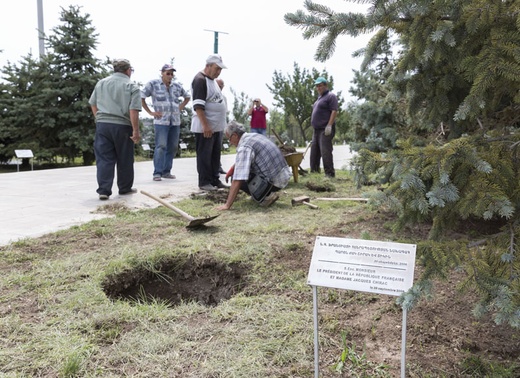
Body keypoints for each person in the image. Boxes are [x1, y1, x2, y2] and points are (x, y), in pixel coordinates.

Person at [89, 58, 142, 200]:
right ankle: (124, 188)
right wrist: (136, 131)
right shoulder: (132, 86)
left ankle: (104, 191)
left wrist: (98, 119)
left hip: (103, 125)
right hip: (122, 126)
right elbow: (133, 110)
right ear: (128, 70)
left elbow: (93, 103)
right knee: (124, 158)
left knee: (104, 159)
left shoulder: (101, 83)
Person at [217, 121, 292, 210]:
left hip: (275, 183)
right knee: (243, 170)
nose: (230, 143)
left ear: (235, 136)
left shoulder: (244, 146)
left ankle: (266, 196)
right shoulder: (253, 136)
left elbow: (238, 178)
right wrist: (232, 169)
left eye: (229, 139)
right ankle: (260, 193)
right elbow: (243, 161)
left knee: (235, 177)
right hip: (283, 176)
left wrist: (227, 205)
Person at [141, 64, 191, 181]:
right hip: (161, 121)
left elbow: (187, 97)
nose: (170, 76)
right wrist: (150, 112)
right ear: (162, 73)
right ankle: (157, 172)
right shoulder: (153, 84)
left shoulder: (177, 86)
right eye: (167, 73)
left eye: (172, 73)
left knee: (173, 147)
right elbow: (141, 96)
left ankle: (166, 171)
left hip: (175, 121)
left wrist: (180, 107)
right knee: (161, 146)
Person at [191, 54, 229, 191]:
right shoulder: (200, 80)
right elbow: (198, 106)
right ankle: (204, 182)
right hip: (205, 128)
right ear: (208, 66)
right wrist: (206, 125)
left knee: (214, 156)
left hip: (216, 128)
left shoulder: (212, 81)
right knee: (204, 156)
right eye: (216, 68)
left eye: (220, 70)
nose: (218, 72)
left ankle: (215, 179)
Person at [310, 76, 338, 178]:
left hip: (325, 129)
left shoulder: (331, 96)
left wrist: (329, 125)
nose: (318, 88)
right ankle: (314, 173)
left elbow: (334, 111)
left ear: (326, 85)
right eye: (317, 86)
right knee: (314, 152)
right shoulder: (319, 98)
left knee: (325, 151)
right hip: (316, 130)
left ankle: (330, 174)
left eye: (320, 86)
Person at [215, 78, 227, 175]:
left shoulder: (224, 98)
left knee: (218, 148)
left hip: (221, 126)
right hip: (212, 126)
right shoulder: (211, 96)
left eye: (221, 85)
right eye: (218, 85)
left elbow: (224, 113)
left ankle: (218, 166)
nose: (220, 87)